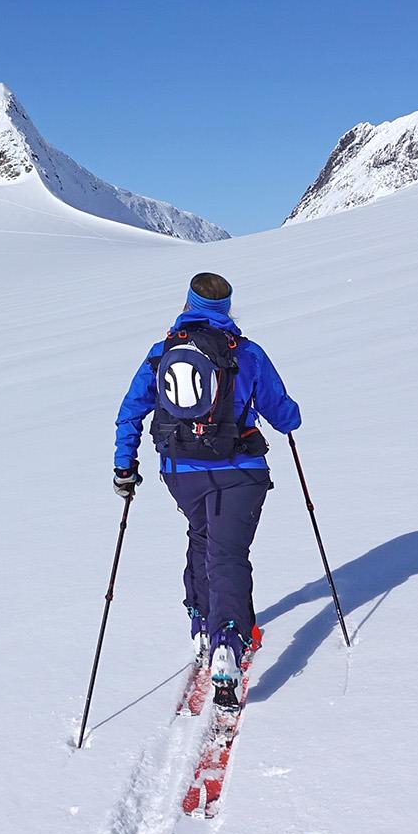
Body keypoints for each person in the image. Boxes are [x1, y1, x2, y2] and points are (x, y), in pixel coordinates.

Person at [112, 272, 301, 706]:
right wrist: (291, 415)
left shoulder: (162, 354)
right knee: (228, 553)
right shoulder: (248, 353)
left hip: (182, 472)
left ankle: (201, 624)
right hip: (242, 472)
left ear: (188, 304)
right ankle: (228, 643)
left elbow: (130, 413)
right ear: (226, 309)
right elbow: (284, 416)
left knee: (202, 538)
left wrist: (125, 465)